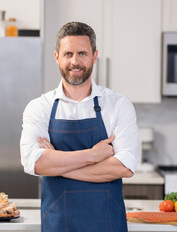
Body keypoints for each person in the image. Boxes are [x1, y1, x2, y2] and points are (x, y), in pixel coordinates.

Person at [20, 21, 139, 232]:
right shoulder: (40, 107)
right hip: (58, 225)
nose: (75, 61)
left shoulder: (118, 105)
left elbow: (125, 167)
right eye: (68, 54)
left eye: (82, 53)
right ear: (56, 57)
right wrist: (93, 155)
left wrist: (58, 164)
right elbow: (35, 163)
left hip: (107, 224)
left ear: (94, 56)